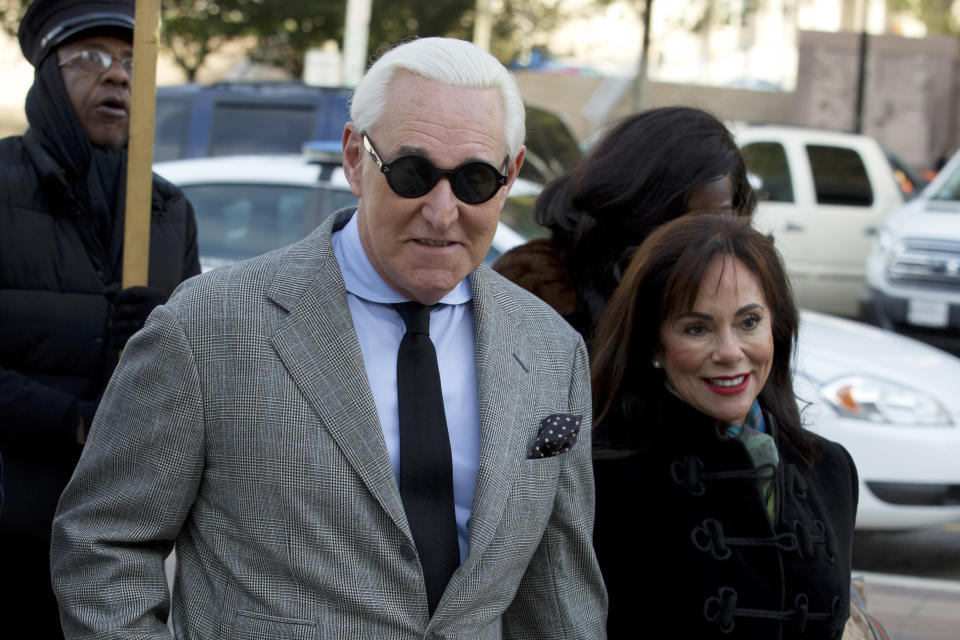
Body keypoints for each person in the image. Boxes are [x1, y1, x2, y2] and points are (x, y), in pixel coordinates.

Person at [51, 37, 607, 638]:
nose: (443, 212)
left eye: (475, 180)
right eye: (413, 174)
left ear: (512, 174)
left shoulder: (552, 350)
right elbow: (102, 546)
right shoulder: (211, 326)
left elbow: (560, 593)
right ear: (354, 157)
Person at [0, 0, 200, 635]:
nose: (117, 75)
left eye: (132, 61)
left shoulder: (168, 212)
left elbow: (199, 381)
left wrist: (170, 329)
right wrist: (76, 423)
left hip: (122, 547)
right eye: (89, 58)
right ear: (48, 78)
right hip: (10, 523)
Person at [590, 213, 858, 637]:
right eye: (697, 328)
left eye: (749, 321)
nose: (730, 352)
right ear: (655, 344)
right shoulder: (600, 478)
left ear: (777, 326)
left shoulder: (830, 469)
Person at [493, 106, 755, 342]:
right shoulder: (538, 291)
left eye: (717, 219)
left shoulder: (745, 288)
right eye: (681, 223)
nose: (702, 239)